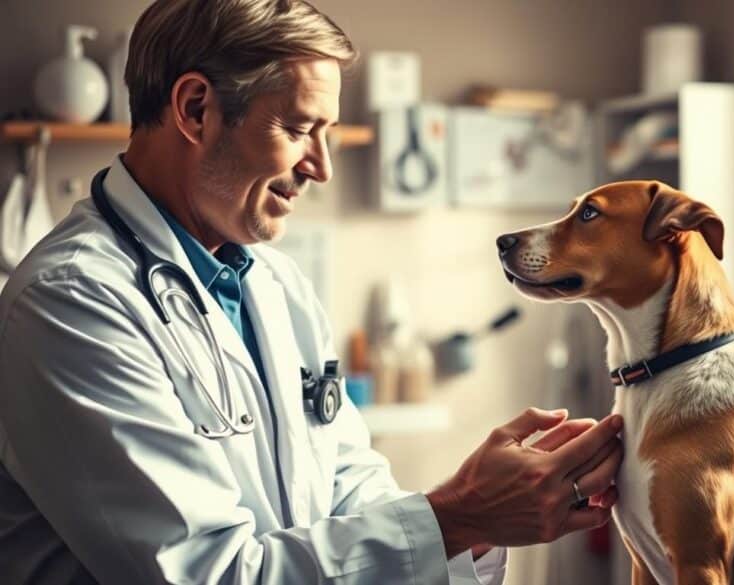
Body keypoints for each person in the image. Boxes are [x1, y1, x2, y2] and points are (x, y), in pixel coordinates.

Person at [0, 1, 623, 583]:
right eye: (300, 129)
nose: (321, 166)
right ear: (195, 109)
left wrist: (475, 530)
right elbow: (208, 572)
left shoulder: (276, 284)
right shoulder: (71, 303)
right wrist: (460, 515)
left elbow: (346, 488)